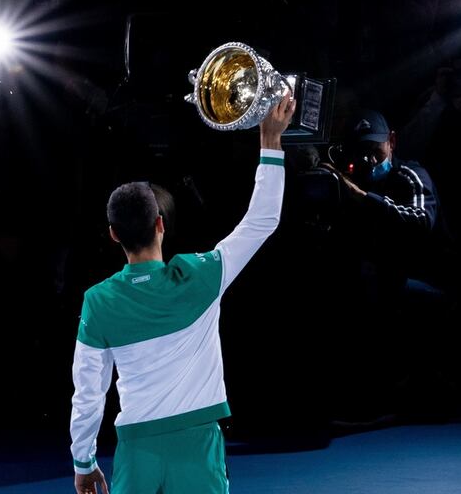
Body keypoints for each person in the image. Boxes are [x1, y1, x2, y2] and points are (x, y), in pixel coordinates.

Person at [69, 93, 295, 494]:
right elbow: (263, 220)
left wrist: (83, 461)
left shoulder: (97, 302)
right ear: (160, 224)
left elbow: (88, 393)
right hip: (197, 444)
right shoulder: (199, 276)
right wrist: (270, 140)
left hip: (137, 452)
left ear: (113, 234)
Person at [319, 108, 445, 421]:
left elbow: (421, 222)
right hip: (377, 283)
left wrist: (363, 198)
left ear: (391, 142)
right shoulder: (346, 183)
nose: (370, 160)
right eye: (362, 151)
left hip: (425, 281)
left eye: (375, 150)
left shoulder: (410, 175)